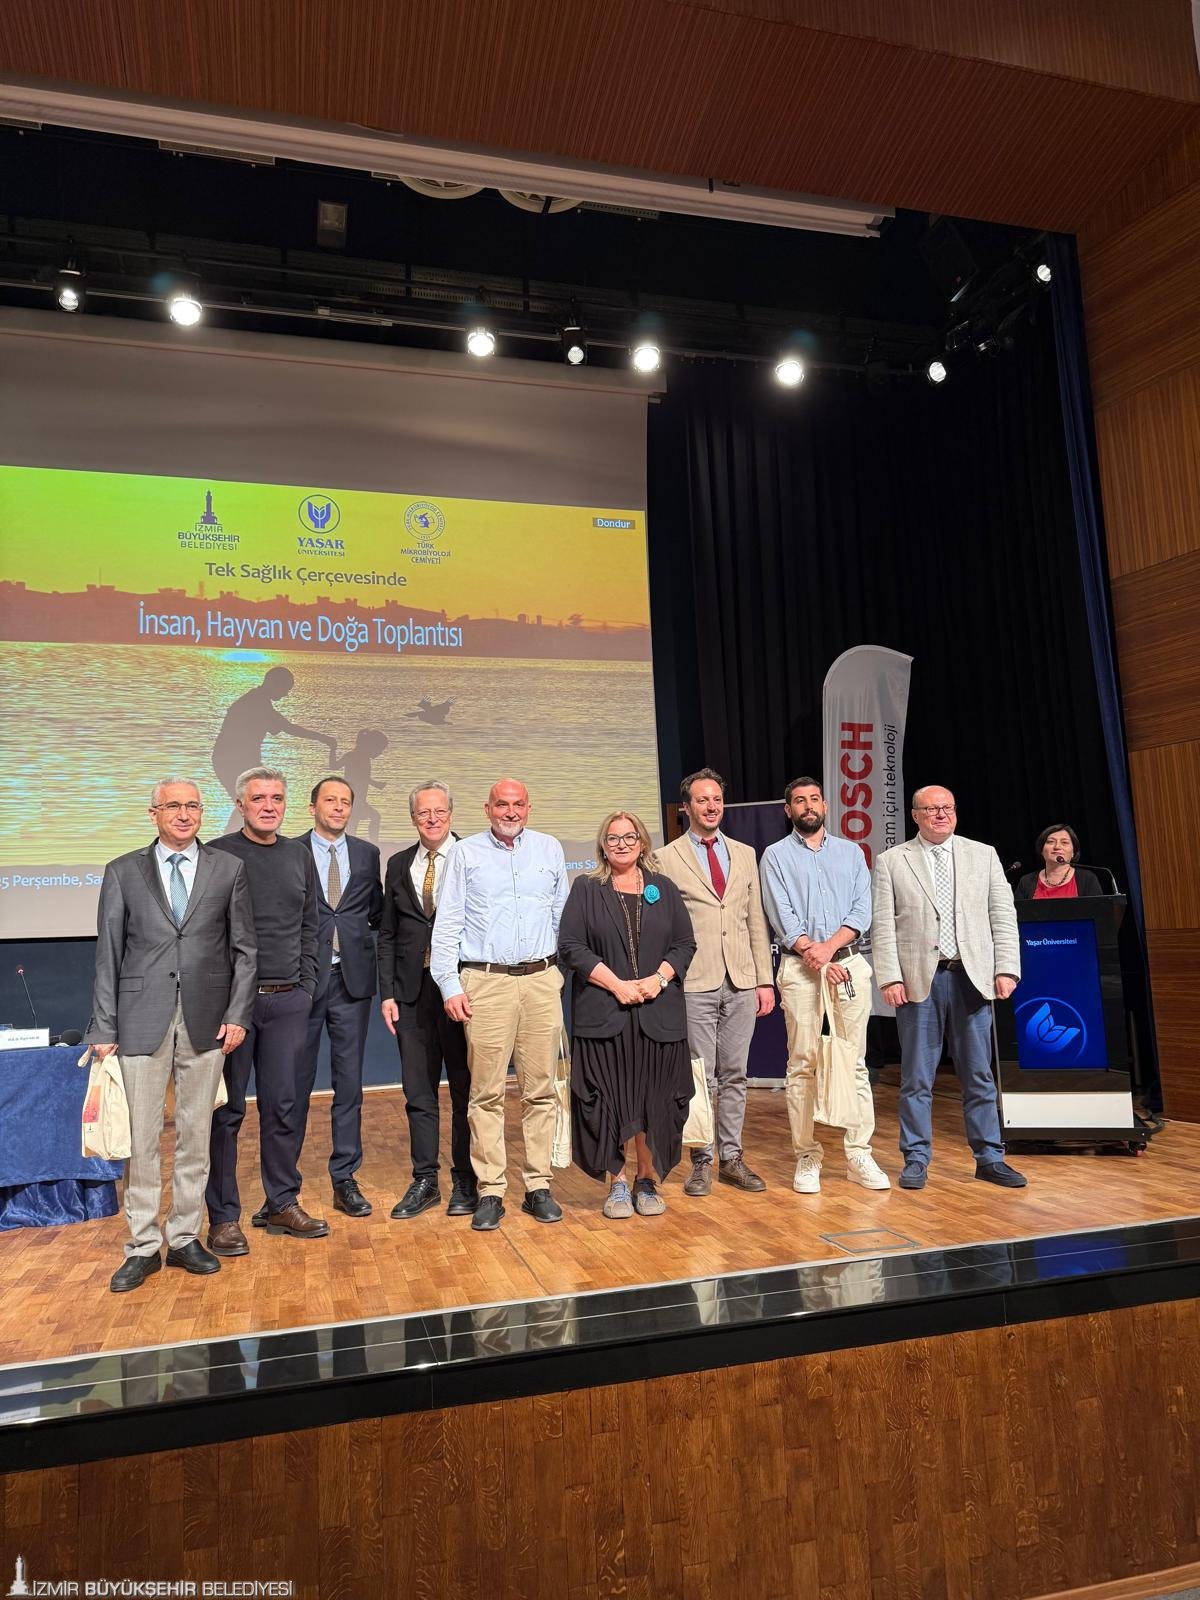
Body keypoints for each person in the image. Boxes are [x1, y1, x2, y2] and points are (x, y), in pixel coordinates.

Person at [85, 779, 256, 1293]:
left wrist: (238, 1014)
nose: (184, 814)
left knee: (195, 1136)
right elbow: (108, 954)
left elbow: (244, 950)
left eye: (192, 806)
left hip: (208, 1020)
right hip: (139, 1019)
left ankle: (183, 1237)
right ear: (154, 813)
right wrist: (103, 1025)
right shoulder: (123, 870)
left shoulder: (228, 868)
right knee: (141, 1140)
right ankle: (142, 1245)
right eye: (173, 806)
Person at [871, 785, 1026, 1191]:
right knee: (916, 1078)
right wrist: (889, 976)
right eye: (932, 809)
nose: (941, 814)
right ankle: (916, 1158)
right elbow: (883, 925)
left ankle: (989, 1157)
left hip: (971, 979)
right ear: (915, 815)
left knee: (978, 1075)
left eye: (947, 808)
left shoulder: (983, 854)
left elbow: (1002, 916)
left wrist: (1007, 968)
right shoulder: (892, 861)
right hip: (919, 980)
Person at [430, 778, 568, 1232]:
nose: (511, 812)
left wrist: (557, 972)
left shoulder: (549, 848)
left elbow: (560, 915)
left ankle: (538, 1185)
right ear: (487, 808)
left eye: (518, 804)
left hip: (541, 981)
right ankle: (491, 1189)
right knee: (486, 1093)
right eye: (502, 804)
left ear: (529, 808)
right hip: (486, 983)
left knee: (541, 1090)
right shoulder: (464, 853)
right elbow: (448, 921)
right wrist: (449, 985)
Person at [205, 766, 324, 1254]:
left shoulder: (299, 855)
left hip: (289, 1000)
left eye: (277, 798)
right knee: (226, 1113)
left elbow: (311, 924)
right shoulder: (216, 855)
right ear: (240, 805)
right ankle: (223, 1218)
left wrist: (307, 986)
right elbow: (206, 932)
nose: (269, 806)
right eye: (258, 798)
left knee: (284, 1106)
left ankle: (281, 1201)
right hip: (233, 1006)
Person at [558, 811, 696, 1218]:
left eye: (630, 836)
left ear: (642, 843)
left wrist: (658, 979)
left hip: (658, 1014)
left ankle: (646, 1179)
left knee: (654, 1098)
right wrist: (617, 985)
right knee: (608, 1099)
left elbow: (684, 944)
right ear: (603, 846)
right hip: (604, 1013)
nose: (622, 844)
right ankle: (618, 1182)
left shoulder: (663, 888)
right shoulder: (586, 888)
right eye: (613, 838)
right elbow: (571, 946)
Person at [759, 776, 890, 1195]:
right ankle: (807, 1155)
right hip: (799, 969)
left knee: (854, 1062)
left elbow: (862, 909)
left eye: (814, 799)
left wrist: (830, 951)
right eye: (800, 801)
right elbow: (780, 912)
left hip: (848, 965)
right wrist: (815, 954)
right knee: (803, 1063)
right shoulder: (775, 856)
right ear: (789, 810)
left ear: (825, 806)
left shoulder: (851, 853)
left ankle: (858, 1153)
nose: (808, 806)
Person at [655, 768, 775, 1195]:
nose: (711, 807)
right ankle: (702, 1159)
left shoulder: (744, 853)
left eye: (717, 800)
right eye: (702, 800)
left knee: (736, 1074)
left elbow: (755, 920)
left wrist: (764, 980)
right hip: (694, 982)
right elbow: (664, 927)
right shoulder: (665, 858)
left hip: (741, 980)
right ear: (686, 807)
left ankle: (732, 1158)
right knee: (700, 1076)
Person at [286, 776, 383, 1221]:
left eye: (346, 801)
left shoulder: (367, 854)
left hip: (352, 983)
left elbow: (374, 912)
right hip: (303, 983)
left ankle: (345, 1178)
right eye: (330, 800)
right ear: (312, 808)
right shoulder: (290, 852)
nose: (339, 807)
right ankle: (283, 1187)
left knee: (349, 1085)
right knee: (293, 1086)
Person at [378, 781, 476, 1220]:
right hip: (412, 994)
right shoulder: (398, 864)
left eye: (439, 811)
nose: (432, 819)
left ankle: (465, 1179)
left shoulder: (473, 856)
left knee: (465, 1090)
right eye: (423, 813)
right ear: (413, 818)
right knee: (418, 1091)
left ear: (451, 814)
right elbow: (388, 933)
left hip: (462, 991)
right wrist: (388, 993)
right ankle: (425, 1181)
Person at [211, 667, 336, 831]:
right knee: (249, 804)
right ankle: (232, 840)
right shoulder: (256, 702)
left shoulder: (259, 700)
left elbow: (283, 726)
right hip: (231, 760)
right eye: (285, 689)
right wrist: (323, 738)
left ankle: (247, 837)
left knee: (251, 804)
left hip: (242, 761)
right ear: (274, 683)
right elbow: (289, 727)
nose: (285, 694)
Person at [1015, 825, 1104, 900]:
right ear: (1041, 850)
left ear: (1073, 852)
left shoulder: (1087, 879)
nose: (1057, 846)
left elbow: (1098, 912)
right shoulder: (1026, 881)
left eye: (1064, 842)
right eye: (1051, 842)